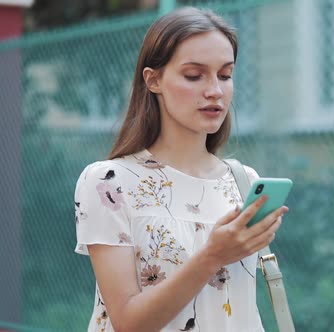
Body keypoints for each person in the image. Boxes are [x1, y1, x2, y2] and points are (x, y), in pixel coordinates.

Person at [73, 7, 286, 332]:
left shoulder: (243, 182)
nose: (215, 90)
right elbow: (128, 322)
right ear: (153, 80)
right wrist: (211, 256)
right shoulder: (108, 183)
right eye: (194, 75)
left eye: (225, 75)